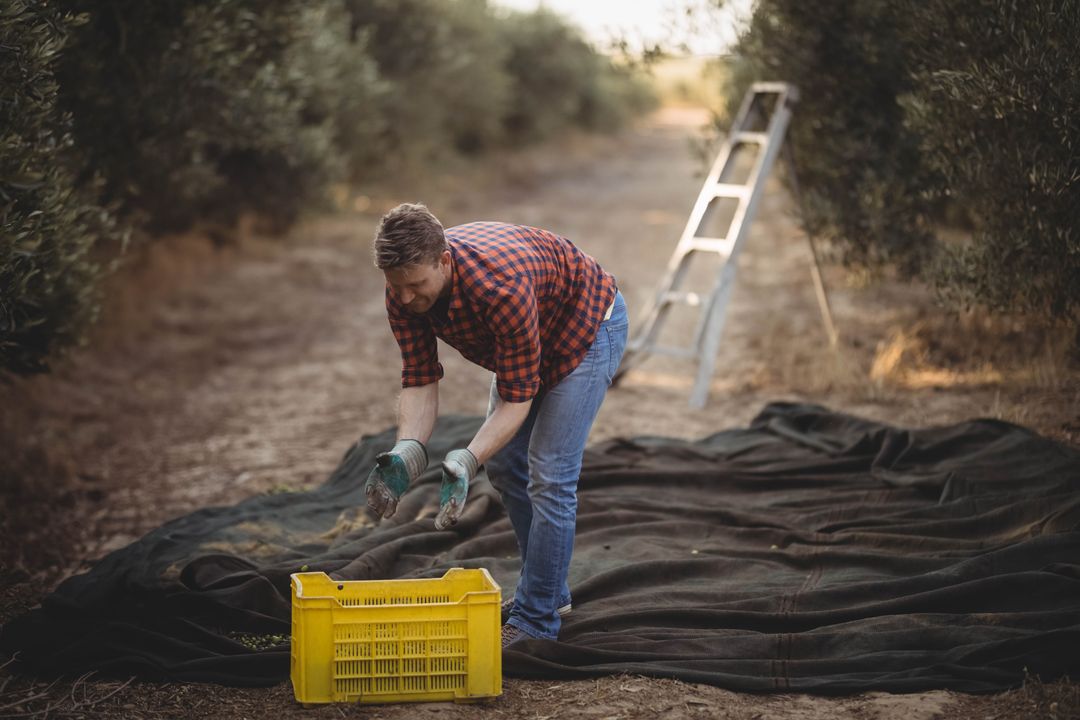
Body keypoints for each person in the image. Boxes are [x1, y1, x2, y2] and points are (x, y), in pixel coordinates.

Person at [364, 202, 628, 649]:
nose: (406, 298)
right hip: (528, 337)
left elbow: (516, 400)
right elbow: (420, 377)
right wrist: (406, 453)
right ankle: (548, 592)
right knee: (505, 466)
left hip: (585, 329)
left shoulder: (499, 289)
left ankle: (537, 619)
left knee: (550, 475)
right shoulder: (403, 290)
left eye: (415, 285)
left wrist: (466, 460)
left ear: (443, 260)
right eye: (397, 287)